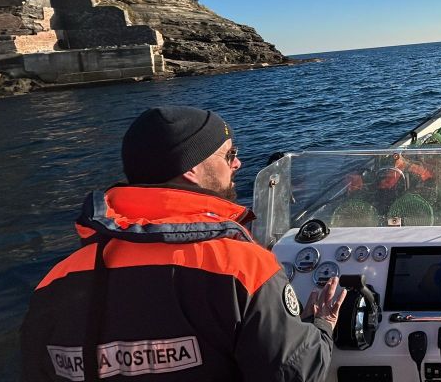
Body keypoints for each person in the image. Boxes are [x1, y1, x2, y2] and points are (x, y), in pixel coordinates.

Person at [20, 106, 345, 382]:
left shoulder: (54, 281)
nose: (238, 164)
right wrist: (322, 325)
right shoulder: (242, 268)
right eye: (229, 154)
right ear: (191, 168)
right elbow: (292, 373)